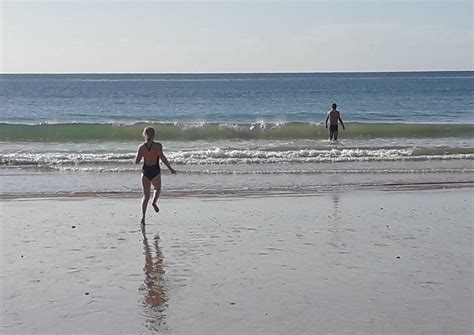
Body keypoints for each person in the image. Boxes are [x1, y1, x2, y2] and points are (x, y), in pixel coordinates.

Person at [135, 126, 176, 225]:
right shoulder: (158, 146)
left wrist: (140, 155)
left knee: (145, 196)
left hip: (145, 172)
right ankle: (154, 202)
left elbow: (136, 162)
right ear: (154, 135)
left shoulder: (141, 147)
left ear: (144, 134)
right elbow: (163, 158)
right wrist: (170, 169)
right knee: (157, 189)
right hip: (155, 171)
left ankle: (143, 218)